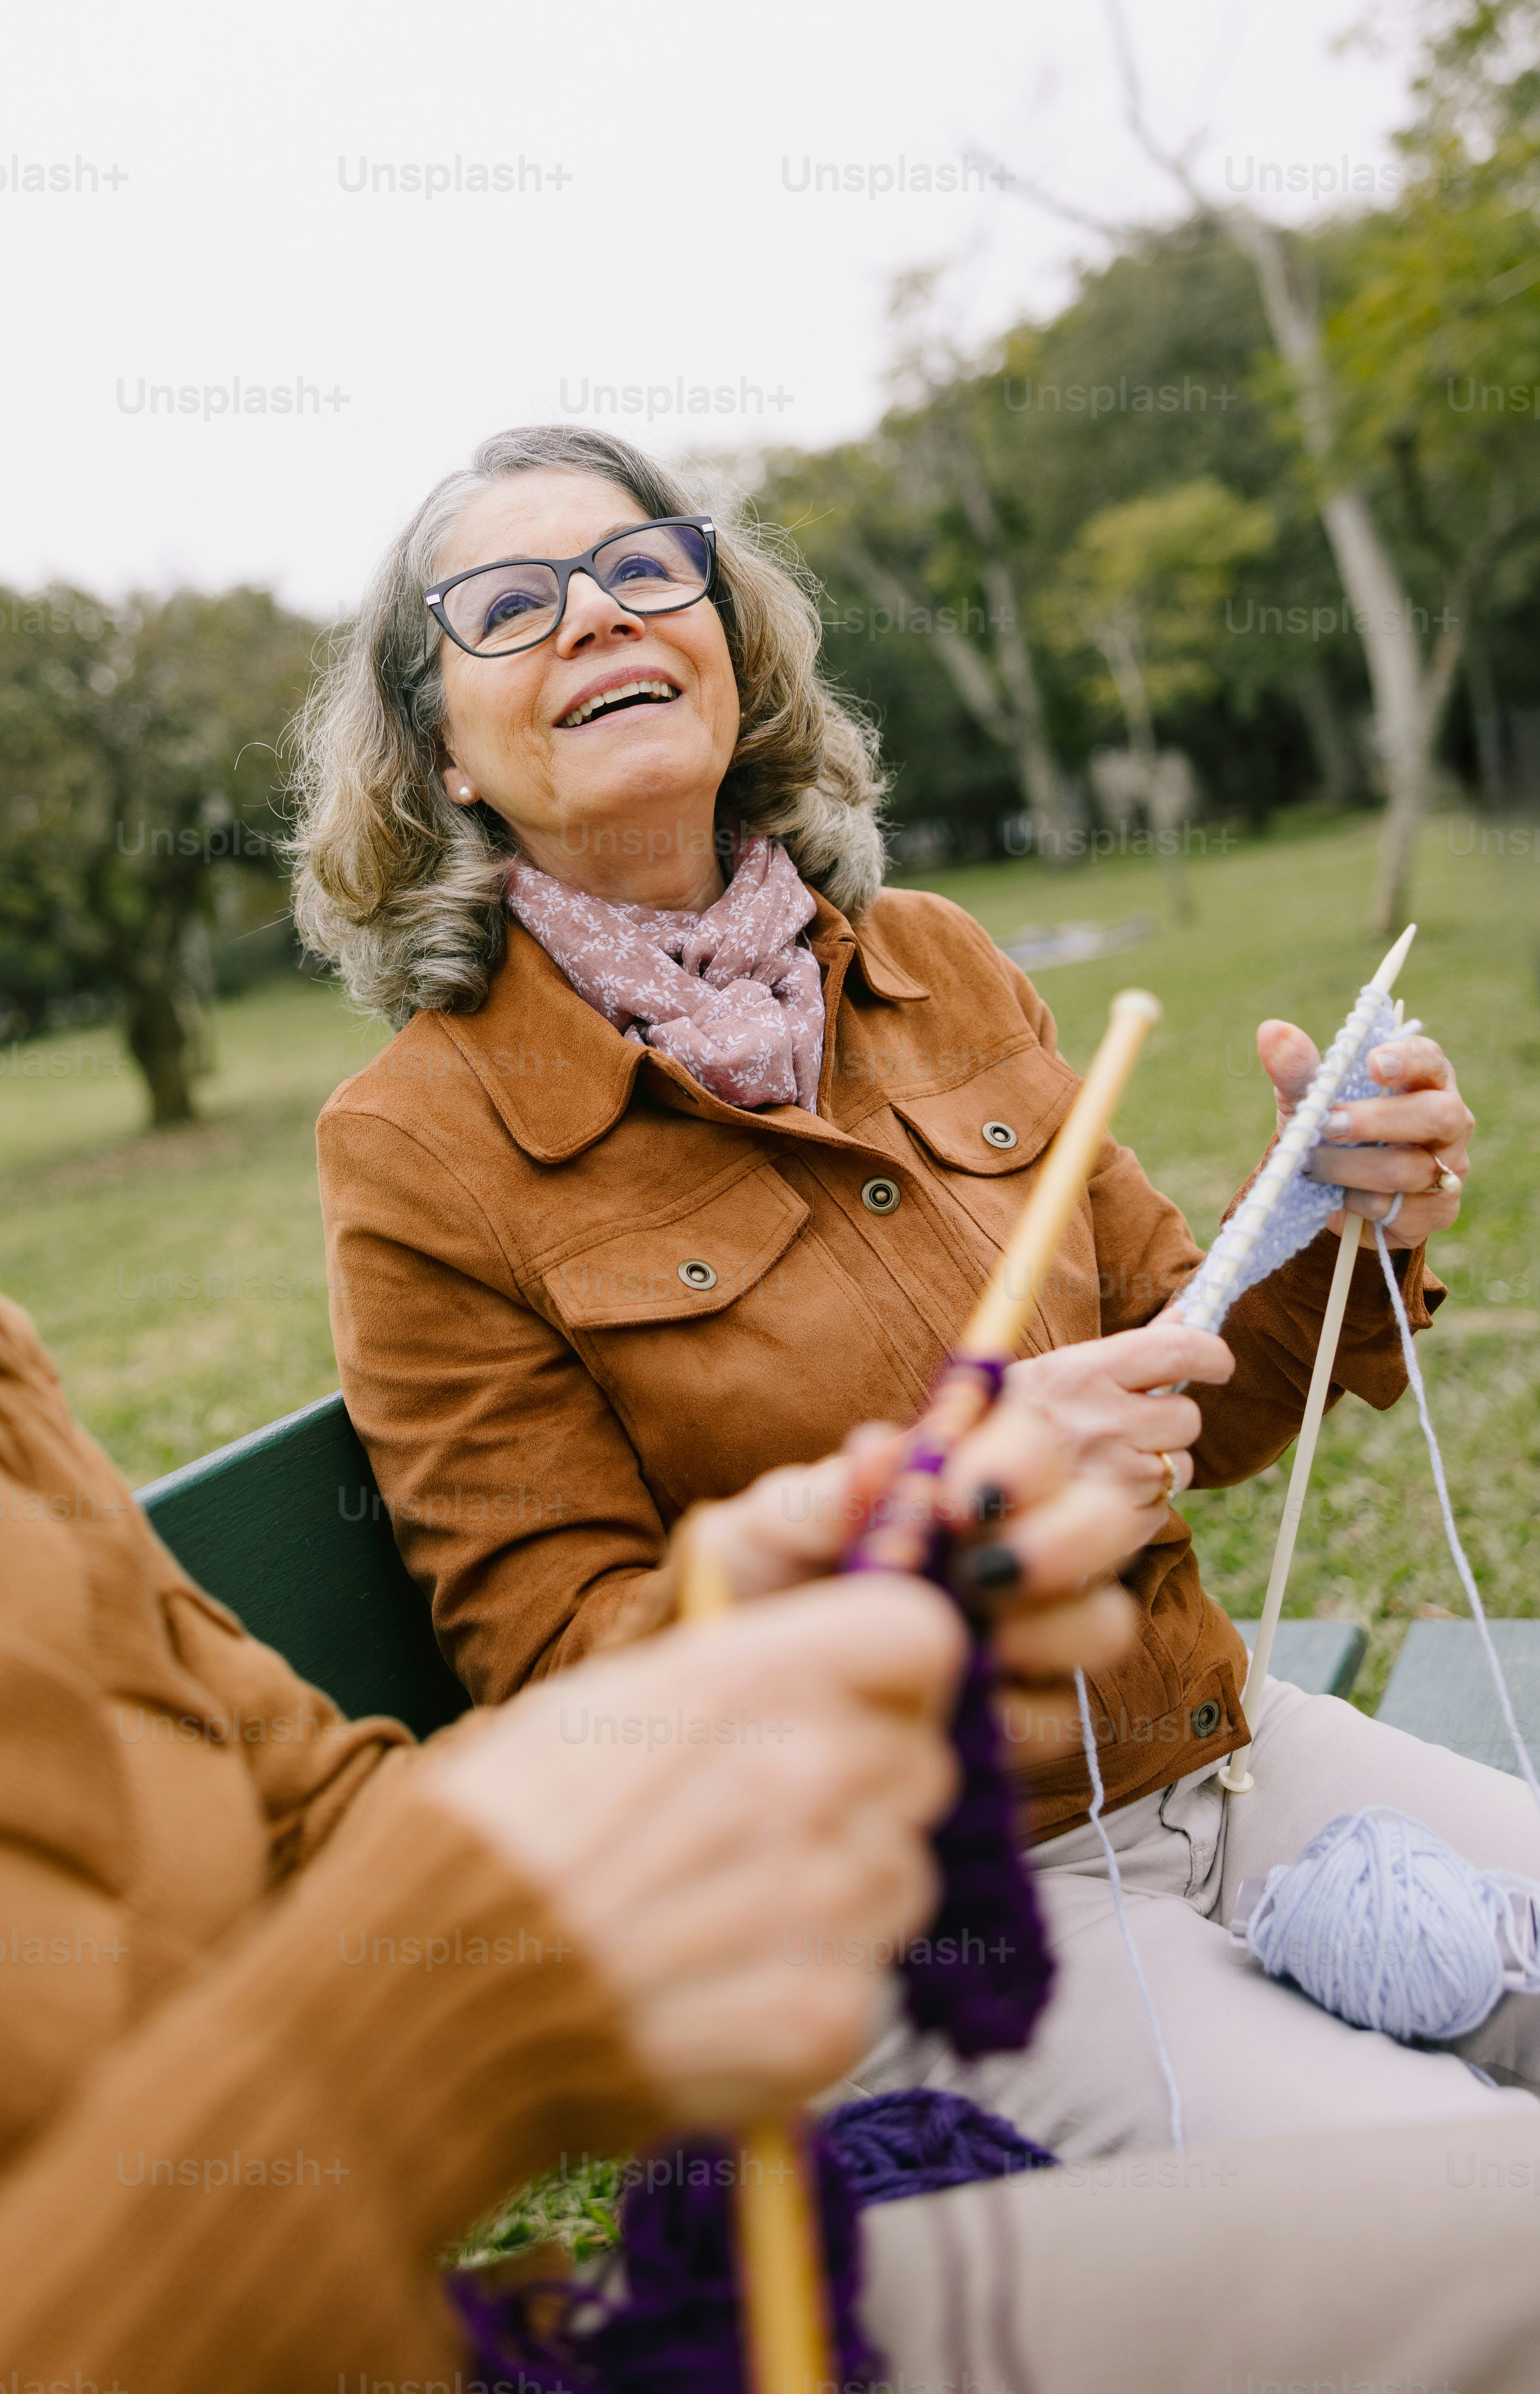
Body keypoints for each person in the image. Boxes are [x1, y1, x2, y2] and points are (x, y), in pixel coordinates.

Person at [0, 273, 1155, 2391]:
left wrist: (737, 1641)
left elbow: (330, 1834)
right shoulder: (413, 1141)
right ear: (433, 758)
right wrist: (440, 2029)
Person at [299, 421, 1540, 2165]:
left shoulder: (935, 960)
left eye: (648, 570)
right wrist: (932, 1515)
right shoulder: (420, 1145)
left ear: (732, 651)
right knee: (1488, 2192)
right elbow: (573, 1681)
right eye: (511, 605)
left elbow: (1220, 1402)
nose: (598, 617)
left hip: (1221, 1748)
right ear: (441, 756)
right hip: (923, 1915)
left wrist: (1338, 1219)